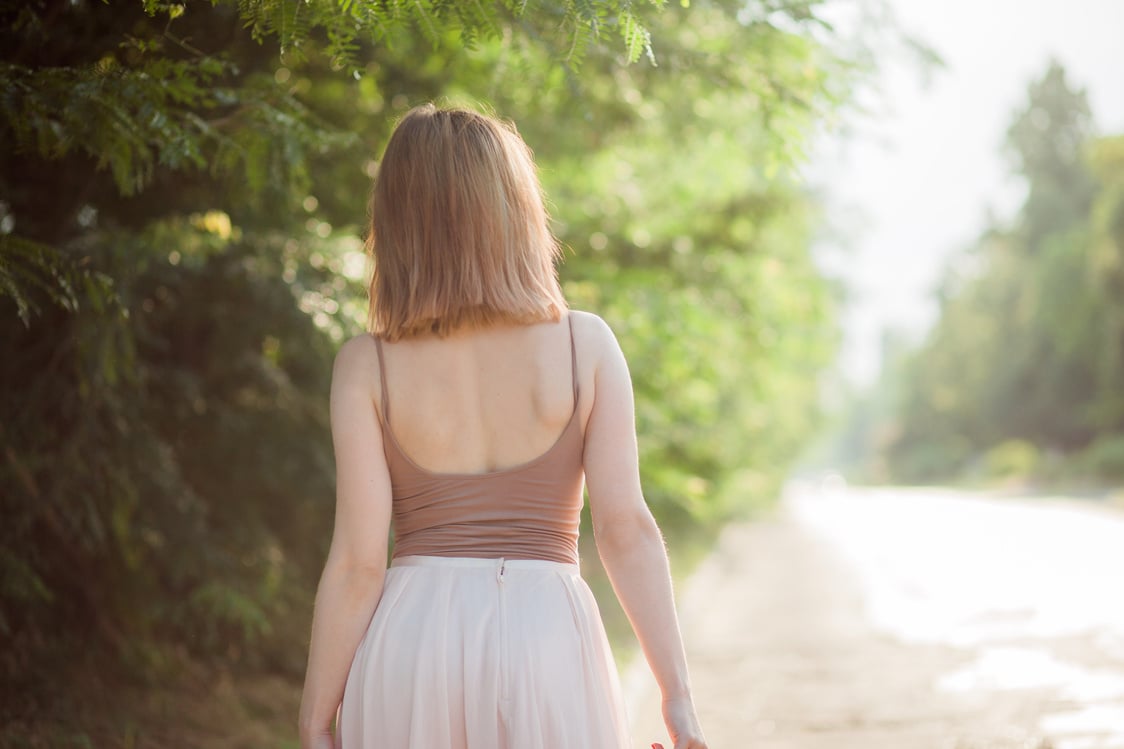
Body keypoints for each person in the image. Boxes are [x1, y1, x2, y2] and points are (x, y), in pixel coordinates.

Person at [297, 103, 707, 749]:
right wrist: (676, 699)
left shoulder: (366, 364)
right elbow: (626, 530)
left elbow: (356, 565)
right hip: (548, 640)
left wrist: (317, 717)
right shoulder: (585, 346)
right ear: (516, 210)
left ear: (397, 222)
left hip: (412, 644)